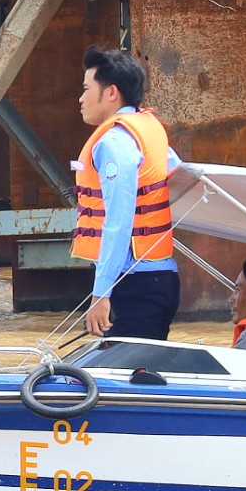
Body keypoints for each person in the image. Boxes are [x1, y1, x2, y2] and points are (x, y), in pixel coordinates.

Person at [73, 48, 183, 343]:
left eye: (86, 89)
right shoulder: (149, 130)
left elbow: (118, 222)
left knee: (125, 379)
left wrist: (101, 293)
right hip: (161, 279)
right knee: (142, 374)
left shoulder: (113, 143)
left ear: (110, 93)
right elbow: (182, 177)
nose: (81, 99)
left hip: (135, 284)